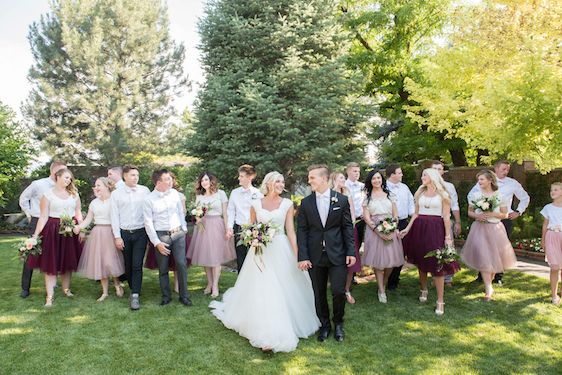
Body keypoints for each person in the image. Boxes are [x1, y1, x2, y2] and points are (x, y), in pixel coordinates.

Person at [210, 172, 319, 353]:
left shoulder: (287, 204)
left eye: (282, 181)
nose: (280, 184)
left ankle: (283, 325)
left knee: (283, 287)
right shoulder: (255, 204)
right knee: (263, 288)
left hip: (281, 249)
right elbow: (250, 229)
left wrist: (299, 255)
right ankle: (264, 332)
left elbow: (291, 231)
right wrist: (253, 238)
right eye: (277, 181)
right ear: (268, 183)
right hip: (259, 253)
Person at [297, 164, 356, 342]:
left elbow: (347, 228)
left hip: (337, 253)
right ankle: (324, 325)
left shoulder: (341, 200)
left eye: (312, 177)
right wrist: (303, 256)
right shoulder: (306, 203)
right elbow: (302, 231)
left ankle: (338, 323)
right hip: (315, 256)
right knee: (319, 292)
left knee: (338, 291)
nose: (309, 181)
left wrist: (351, 251)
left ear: (324, 179)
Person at [400, 168, 459, 316]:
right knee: (421, 260)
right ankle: (423, 289)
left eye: (424, 175)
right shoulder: (419, 192)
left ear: (432, 177)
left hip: (435, 228)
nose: (422, 177)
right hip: (419, 228)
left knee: (437, 263)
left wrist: (447, 237)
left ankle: (440, 300)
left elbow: (446, 217)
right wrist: (407, 228)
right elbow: (416, 213)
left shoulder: (444, 195)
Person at [468, 160, 530, 284]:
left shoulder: (512, 183)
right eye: (503, 169)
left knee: (500, 249)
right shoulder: (484, 181)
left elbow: (525, 197)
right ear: (496, 169)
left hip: (504, 220)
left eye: (507, 169)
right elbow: (471, 196)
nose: (506, 172)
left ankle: (498, 277)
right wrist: (478, 212)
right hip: (485, 221)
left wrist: (518, 211)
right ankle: (482, 276)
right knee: (484, 248)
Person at [28, 168, 83, 307]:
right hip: (52, 230)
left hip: (70, 230)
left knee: (68, 261)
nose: (68, 180)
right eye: (66, 177)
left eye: (70, 178)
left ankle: (66, 289)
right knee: (51, 263)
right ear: (57, 177)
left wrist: (81, 228)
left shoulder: (74, 194)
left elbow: (78, 213)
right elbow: (43, 216)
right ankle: (50, 296)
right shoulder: (47, 195)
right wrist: (35, 235)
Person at [461, 170, 517, 301]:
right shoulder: (475, 195)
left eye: (481, 179)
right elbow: (470, 212)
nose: (479, 182)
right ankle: (488, 289)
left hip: (496, 229)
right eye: (478, 180)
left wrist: (492, 214)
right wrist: (478, 215)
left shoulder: (500, 196)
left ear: (490, 180)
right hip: (479, 229)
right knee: (484, 258)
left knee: (493, 259)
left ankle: (490, 282)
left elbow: (504, 214)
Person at [18, 161, 66, 298]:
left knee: (54, 251)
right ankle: (25, 287)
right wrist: (29, 214)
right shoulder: (38, 184)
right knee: (31, 252)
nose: (67, 175)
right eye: (63, 172)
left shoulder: (63, 187)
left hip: (54, 222)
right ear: (55, 172)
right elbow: (23, 198)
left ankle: (53, 283)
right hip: (37, 220)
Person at [144, 169, 191, 307]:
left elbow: (180, 212)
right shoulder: (149, 199)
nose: (171, 181)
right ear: (158, 182)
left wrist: (184, 228)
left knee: (181, 264)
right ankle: (166, 296)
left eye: (170, 178)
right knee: (163, 267)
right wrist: (156, 242)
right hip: (161, 235)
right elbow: (148, 223)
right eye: (167, 179)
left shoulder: (175, 194)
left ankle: (184, 296)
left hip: (178, 233)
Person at [187, 172, 236, 298]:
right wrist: (197, 219)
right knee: (205, 257)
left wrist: (227, 229)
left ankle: (215, 285)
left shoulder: (221, 194)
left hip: (216, 226)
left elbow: (225, 213)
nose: (204, 182)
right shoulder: (199, 196)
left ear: (211, 181)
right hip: (203, 228)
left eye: (206, 179)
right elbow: (197, 214)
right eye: (202, 180)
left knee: (215, 258)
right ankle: (209, 283)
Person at [75, 177, 125, 301]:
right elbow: (88, 219)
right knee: (100, 262)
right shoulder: (94, 203)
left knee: (110, 260)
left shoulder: (114, 200)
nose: (96, 188)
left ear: (107, 186)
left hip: (111, 233)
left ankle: (117, 283)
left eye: (99, 185)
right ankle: (105, 292)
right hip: (97, 233)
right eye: (95, 185)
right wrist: (79, 227)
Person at [110, 165, 150, 310]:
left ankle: (135, 295)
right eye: (132, 175)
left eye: (137, 175)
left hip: (140, 233)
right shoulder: (116, 194)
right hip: (124, 233)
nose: (135, 178)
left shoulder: (145, 191)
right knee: (127, 265)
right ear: (125, 176)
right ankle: (134, 288)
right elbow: (114, 216)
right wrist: (117, 237)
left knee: (137, 264)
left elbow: (150, 211)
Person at [362, 170, 404, 303]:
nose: (376, 181)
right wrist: (378, 231)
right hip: (374, 232)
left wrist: (392, 228)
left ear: (382, 180)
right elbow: (367, 218)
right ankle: (381, 290)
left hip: (390, 229)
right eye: (373, 178)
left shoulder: (390, 195)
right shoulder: (367, 198)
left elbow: (395, 215)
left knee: (391, 262)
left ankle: (384, 283)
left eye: (378, 178)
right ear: (370, 181)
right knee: (379, 264)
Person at [330, 171, 361, 304]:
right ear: (334, 179)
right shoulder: (329, 195)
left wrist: (350, 227)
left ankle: (347, 290)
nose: (343, 180)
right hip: (334, 233)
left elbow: (352, 213)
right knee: (336, 260)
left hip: (348, 231)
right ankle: (337, 288)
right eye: (341, 178)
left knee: (351, 262)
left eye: (343, 177)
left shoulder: (347, 194)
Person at [226, 165, 263, 273]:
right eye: (239, 176)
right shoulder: (234, 193)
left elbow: (260, 212)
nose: (239, 178)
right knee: (241, 257)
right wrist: (229, 227)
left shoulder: (258, 193)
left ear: (250, 177)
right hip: (239, 228)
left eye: (241, 176)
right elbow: (231, 210)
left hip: (254, 228)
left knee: (255, 256)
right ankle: (241, 283)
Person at [431, 161, 461, 286]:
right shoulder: (426, 186)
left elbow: (454, 205)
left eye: (439, 169)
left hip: (446, 221)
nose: (437, 171)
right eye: (434, 169)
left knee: (448, 247)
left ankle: (448, 277)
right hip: (431, 222)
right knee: (433, 249)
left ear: (443, 171)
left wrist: (458, 222)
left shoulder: (449, 186)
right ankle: (435, 275)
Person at [385, 164, 415, 290]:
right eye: (399, 172)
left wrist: (414, 219)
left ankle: (394, 281)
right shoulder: (383, 188)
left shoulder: (404, 188)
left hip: (403, 223)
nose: (402, 174)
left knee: (400, 253)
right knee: (387, 254)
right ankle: (384, 280)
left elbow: (411, 205)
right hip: (386, 223)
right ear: (392, 175)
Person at [540, 182, 562, 305]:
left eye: (556, 190)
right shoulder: (548, 208)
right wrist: (543, 240)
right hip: (552, 236)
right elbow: (545, 225)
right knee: (555, 267)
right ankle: (554, 295)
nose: (552, 192)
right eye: (551, 190)